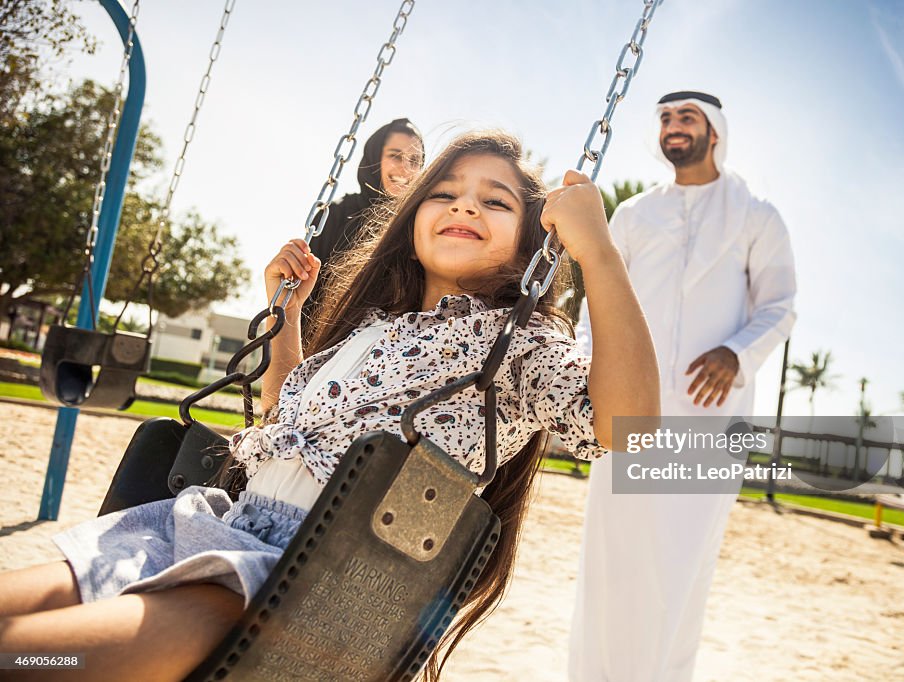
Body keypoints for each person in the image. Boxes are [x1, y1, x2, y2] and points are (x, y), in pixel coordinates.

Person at [0, 130, 660, 682]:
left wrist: (598, 252)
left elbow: (628, 431)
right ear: (413, 222)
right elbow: (286, 417)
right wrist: (284, 309)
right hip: (208, 529)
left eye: (496, 201)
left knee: (31, 660)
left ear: (533, 245)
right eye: (446, 193)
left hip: (301, 584)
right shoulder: (373, 328)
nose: (467, 207)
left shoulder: (517, 343)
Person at [568, 91, 797, 681]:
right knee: (613, 561)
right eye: (666, 118)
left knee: (679, 566)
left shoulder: (756, 214)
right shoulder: (635, 214)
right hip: (630, 414)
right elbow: (598, 303)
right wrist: (589, 383)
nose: (673, 126)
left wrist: (736, 352)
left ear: (714, 131)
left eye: (686, 117)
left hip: (707, 421)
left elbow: (780, 306)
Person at [302, 117, 425, 327]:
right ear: (374, 157)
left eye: (414, 161)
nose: (405, 169)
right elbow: (307, 295)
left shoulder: (420, 225)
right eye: (395, 156)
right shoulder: (337, 213)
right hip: (326, 338)